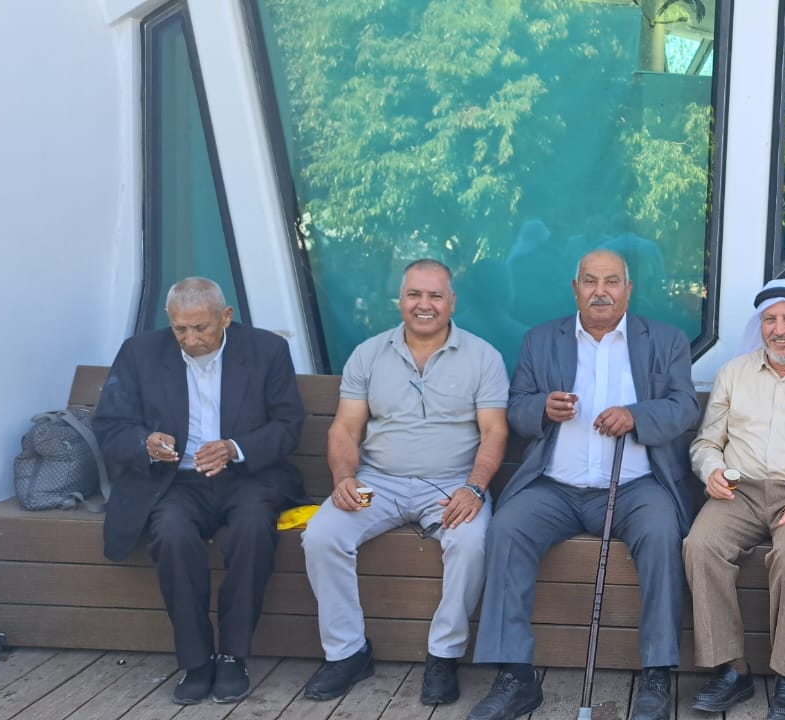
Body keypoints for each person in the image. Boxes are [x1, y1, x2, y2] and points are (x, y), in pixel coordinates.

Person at [467, 249, 699, 720]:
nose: (601, 291)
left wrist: (637, 415)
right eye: (590, 281)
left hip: (636, 486)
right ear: (575, 289)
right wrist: (541, 409)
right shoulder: (540, 339)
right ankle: (516, 676)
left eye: (612, 281)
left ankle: (656, 675)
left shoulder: (666, 340)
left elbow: (684, 407)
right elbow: (516, 407)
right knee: (506, 529)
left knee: (662, 534)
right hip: (554, 487)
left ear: (628, 290)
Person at [300, 259, 509, 706]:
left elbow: (494, 431)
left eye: (435, 295)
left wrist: (474, 487)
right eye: (414, 294)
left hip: (451, 484)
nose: (424, 304)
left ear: (452, 302)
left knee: (471, 542)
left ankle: (444, 655)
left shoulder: (483, 357)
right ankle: (347, 653)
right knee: (321, 534)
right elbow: (345, 429)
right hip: (378, 483)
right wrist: (344, 478)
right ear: (400, 300)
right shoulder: (368, 354)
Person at [93, 277, 305, 705]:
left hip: (246, 477)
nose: (190, 340)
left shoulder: (267, 350)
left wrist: (234, 448)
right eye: (180, 329)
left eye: (201, 328)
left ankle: (232, 656)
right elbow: (110, 425)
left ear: (225, 317)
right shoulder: (139, 353)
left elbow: (288, 425)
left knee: (252, 529)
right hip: (174, 481)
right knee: (171, 534)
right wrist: (145, 443)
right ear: (169, 321)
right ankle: (196, 661)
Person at [684, 281, 785, 720]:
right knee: (701, 545)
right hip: (739, 490)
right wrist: (711, 470)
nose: (780, 330)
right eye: (770, 320)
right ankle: (732, 670)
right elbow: (706, 442)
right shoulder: (733, 373)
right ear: (760, 326)